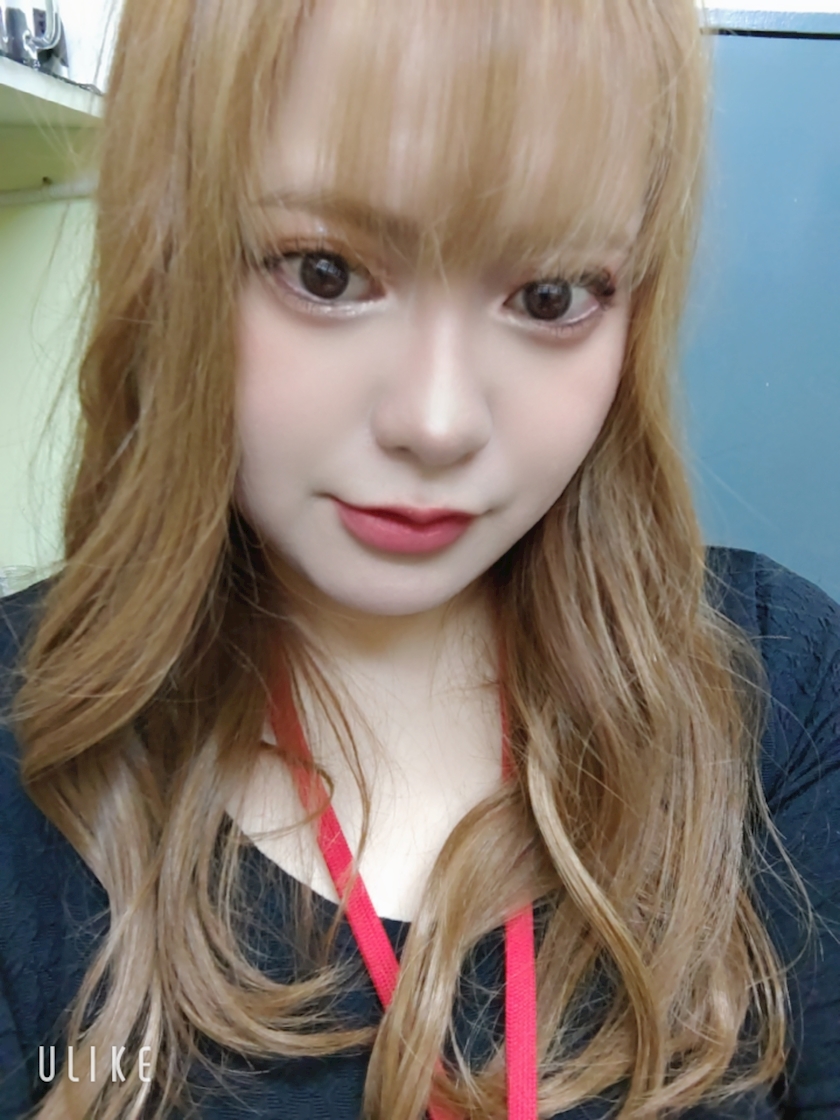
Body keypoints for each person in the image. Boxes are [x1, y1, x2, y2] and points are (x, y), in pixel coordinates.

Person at [0, 0, 838, 1117]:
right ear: (170, 245)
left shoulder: (782, 688)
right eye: (324, 273)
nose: (438, 423)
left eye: (550, 296)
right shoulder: (25, 742)